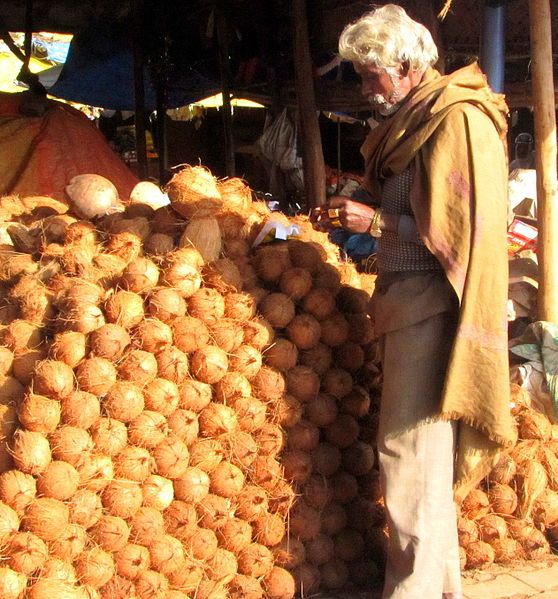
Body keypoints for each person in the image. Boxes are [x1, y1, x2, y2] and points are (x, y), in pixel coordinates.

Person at [310, 5, 517, 598]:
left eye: (371, 74)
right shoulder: (414, 123)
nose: (365, 88)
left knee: (407, 455)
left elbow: (468, 227)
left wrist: (377, 223)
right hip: (405, 302)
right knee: (419, 459)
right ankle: (437, 589)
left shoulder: (458, 120)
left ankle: (413, 592)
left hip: (434, 305)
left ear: (404, 65)